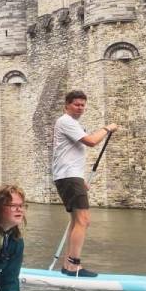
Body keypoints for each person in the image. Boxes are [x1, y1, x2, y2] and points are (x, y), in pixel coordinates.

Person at [51, 90, 117, 277]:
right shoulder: (65, 121)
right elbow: (91, 141)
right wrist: (107, 128)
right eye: (76, 104)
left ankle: (66, 265)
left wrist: (80, 180)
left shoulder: (73, 124)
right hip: (68, 177)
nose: (80, 108)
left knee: (76, 221)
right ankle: (74, 266)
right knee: (84, 220)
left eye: (82, 105)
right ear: (67, 105)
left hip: (70, 177)